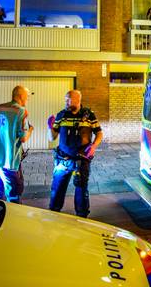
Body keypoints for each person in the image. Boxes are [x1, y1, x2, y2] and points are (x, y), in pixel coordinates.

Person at [47, 90, 103, 218]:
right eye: (65, 99)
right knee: (57, 188)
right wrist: (50, 127)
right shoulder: (62, 115)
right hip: (63, 160)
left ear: (78, 99)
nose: (66, 102)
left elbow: (99, 133)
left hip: (81, 160)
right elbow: (52, 138)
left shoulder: (89, 115)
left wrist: (94, 146)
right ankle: (54, 213)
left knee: (81, 189)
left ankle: (82, 216)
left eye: (68, 99)